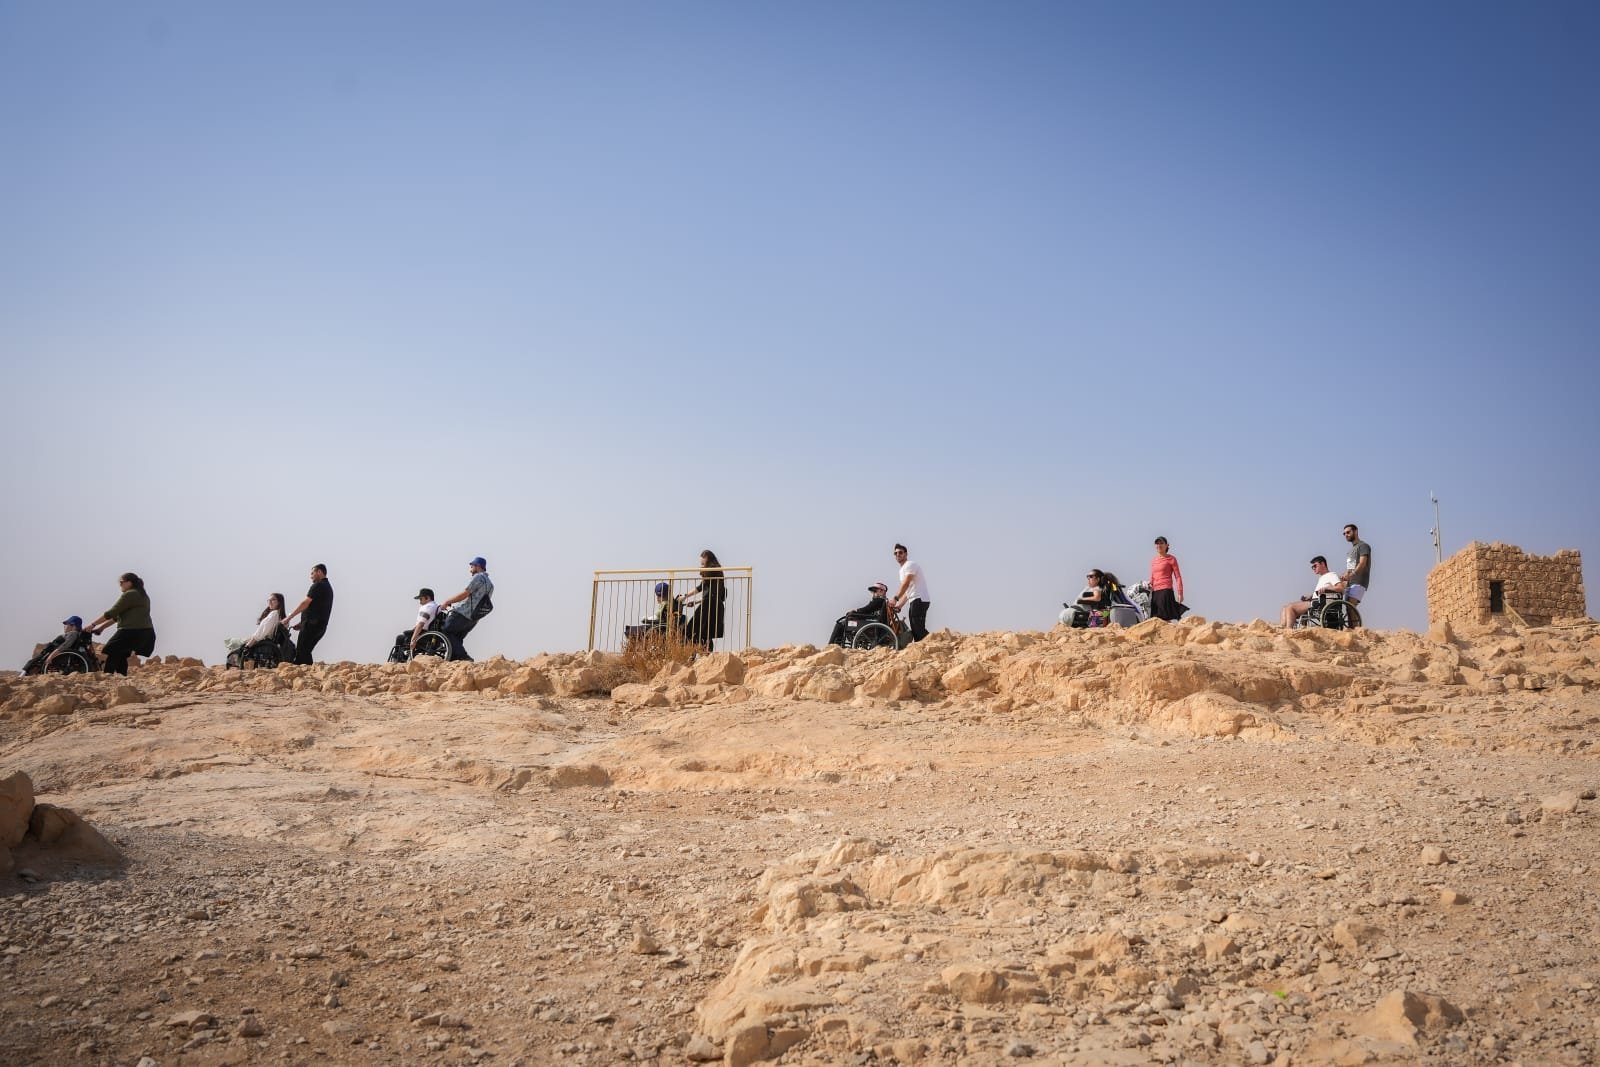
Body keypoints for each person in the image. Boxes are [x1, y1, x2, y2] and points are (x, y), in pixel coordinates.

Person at [86, 573, 156, 675]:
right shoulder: (142, 595)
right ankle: (122, 678)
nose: (120, 585)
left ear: (129, 582)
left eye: (121, 582)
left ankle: (107, 676)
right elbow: (118, 617)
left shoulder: (130, 594)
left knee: (112, 649)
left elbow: (112, 612)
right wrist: (102, 628)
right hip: (144, 632)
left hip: (131, 631)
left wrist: (92, 625)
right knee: (120, 653)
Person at [438, 557, 494, 661]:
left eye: (472, 566)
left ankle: (465, 657)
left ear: (478, 566)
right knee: (457, 639)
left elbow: (465, 594)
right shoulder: (490, 585)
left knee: (446, 631)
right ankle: (455, 660)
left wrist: (447, 602)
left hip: (462, 613)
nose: (470, 568)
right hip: (474, 618)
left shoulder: (478, 577)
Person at [283, 564, 334, 664]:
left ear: (319, 572)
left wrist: (289, 617)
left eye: (312, 573)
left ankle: (305, 676)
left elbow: (305, 603)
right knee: (305, 652)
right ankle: (307, 675)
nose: (310, 576)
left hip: (312, 625)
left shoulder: (318, 585)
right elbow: (317, 609)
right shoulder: (327, 587)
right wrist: (301, 623)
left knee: (302, 652)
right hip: (319, 626)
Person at [679, 550, 727, 651]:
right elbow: (707, 592)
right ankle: (704, 655)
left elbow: (701, 588)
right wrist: (693, 600)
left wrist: (685, 596)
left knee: (692, 630)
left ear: (708, 561)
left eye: (703, 564)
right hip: (713, 605)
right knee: (704, 633)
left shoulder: (713, 571)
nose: (701, 567)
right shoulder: (717, 571)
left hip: (709, 606)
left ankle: (691, 654)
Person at [1281, 555, 1344, 629]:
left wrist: (1328, 588)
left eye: (1315, 566)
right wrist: (1311, 596)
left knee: (1290, 607)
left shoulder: (1332, 575)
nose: (1313, 568)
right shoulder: (1322, 578)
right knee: (1284, 608)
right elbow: (1320, 592)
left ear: (1323, 564)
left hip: (1321, 604)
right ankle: (1282, 629)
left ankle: (1288, 630)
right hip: (1316, 601)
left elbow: (1341, 588)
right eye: (1312, 567)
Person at [888, 544, 931, 642]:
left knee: (918, 629)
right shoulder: (901, 570)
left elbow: (906, 583)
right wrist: (899, 605)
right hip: (914, 600)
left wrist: (895, 599)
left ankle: (935, 644)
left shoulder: (910, 565)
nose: (898, 555)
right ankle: (925, 648)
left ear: (906, 554)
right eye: (895, 553)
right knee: (915, 629)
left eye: (900, 552)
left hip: (920, 599)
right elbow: (908, 590)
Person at [24, 616, 93, 675]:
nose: (64, 626)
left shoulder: (73, 633)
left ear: (73, 626)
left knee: (32, 663)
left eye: (66, 624)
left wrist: (51, 656)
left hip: (59, 655)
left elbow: (65, 645)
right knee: (34, 663)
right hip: (58, 654)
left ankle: (23, 674)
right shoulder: (76, 634)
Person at [828, 582, 890, 646]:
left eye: (875, 591)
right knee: (844, 622)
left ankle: (832, 644)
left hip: (874, 626)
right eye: (873, 591)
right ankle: (835, 644)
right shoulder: (881, 601)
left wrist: (855, 611)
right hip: (875, 623)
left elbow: (867, 609)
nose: (873, 593)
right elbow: (868, 611)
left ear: (882, 591)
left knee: (840, 624)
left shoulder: (879, 601)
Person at [391, 587, 440, 661]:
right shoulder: (436, 606)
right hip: (431, 634)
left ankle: (397, 660)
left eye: (421, 599)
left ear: (427, 598)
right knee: (408, 632)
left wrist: (413, 640)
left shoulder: (427, 607)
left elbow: (421, 624)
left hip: (424, 635)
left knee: (400, 638)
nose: (420, 602)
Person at [1148, 537, 1188, 621]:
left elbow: (1178, 577)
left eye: (1161, 543)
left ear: (1167, 545)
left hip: (1166, 590)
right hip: (1155, 592)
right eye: (1157, 543)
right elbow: (1152, 576)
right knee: (1156, 618)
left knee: (1164, 617)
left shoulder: (1172, 559)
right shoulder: (1154, 560)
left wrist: (1180, 593)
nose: (1159, 545)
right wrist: (1149, 586)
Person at [1340, 523, 1372, 606]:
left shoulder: (1363, 546)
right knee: (1348, 608)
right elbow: (1349, 569)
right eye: (1344, 533)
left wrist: (1351, 575)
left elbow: (1362, 564)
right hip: (1349, 583)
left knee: (1351, 608)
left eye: (1348, 532)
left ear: (1356, 531)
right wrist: (1344, 576)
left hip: (1358, 582)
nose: (1346, 535)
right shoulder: (1350, 551)